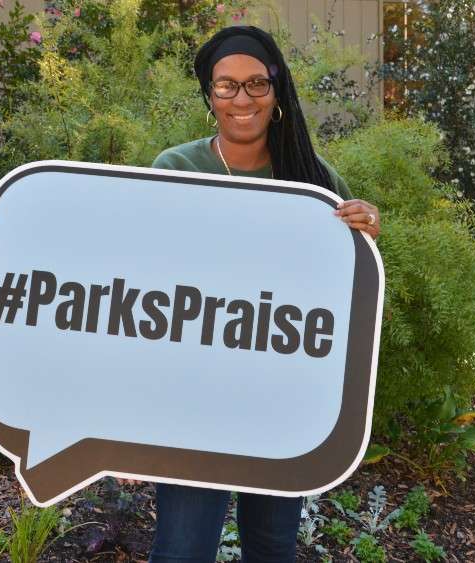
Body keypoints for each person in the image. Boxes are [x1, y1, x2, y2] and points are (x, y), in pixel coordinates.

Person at [142, 25, 381, 563]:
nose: (241, 98)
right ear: (209, 96)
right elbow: (147, 282)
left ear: (277, 94)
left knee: (273, 546)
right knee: (182, 549)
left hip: (280, 396)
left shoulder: (313, 178)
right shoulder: (176, 169)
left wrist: (364, 234)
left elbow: (342, 289)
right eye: (226, 86)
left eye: (256, 84)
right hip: (193, 400)